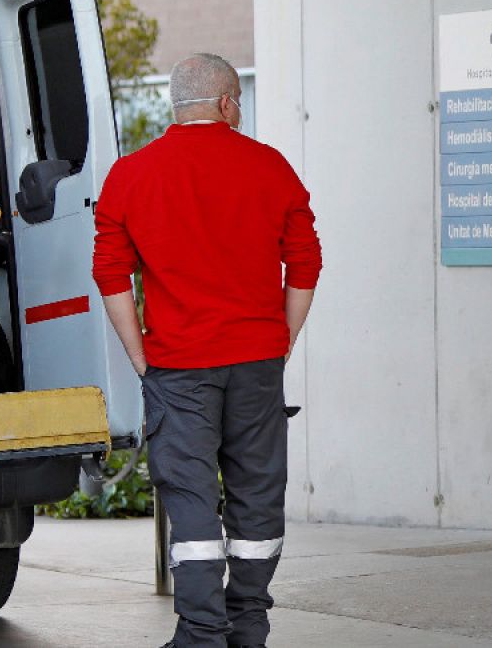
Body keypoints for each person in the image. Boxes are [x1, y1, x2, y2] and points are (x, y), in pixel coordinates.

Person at [92, 53, 322, 648]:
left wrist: (141, 357)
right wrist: (282, 341)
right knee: (257, 493)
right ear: (226, 103)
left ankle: (200, 634)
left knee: (191, 500)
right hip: (256, 363)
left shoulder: (130, 175)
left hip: (176, 366)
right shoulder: (270, 167)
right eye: (237, 103)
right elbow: (305, 261)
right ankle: (248, 627)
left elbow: (111, 274)